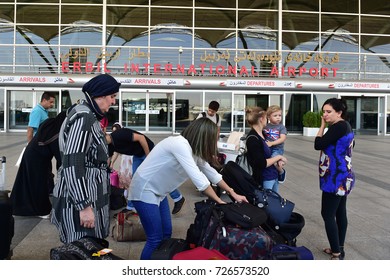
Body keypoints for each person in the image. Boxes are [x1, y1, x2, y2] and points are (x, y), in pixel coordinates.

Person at [128, 118, 248, 259]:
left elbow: (211, 173)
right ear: (204, 136)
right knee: (154, 238)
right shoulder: (179, 144)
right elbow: (200, 180)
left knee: (166, 233)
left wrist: (233, 193)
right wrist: (219, 201)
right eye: (213, 139)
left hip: (159, 191)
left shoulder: (193, 150)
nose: (213, 144)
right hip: (144, 189)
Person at [51, 74, 120, 244]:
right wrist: (83, 206)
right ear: (100, 95)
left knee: (87, 250)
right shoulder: (84, 117)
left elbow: (88, 157)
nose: (113, 102)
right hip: (80, 202)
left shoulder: (87, 115)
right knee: (81, 251)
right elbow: (73, 164)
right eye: (112, 97)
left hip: (86, 196)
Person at [107, 123, 186, 216]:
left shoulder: (120, 134)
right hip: (137, 155)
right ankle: (130, 207)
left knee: (159, 178)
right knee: (135, 180)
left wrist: (149, 157)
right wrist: (107, 167)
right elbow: (109, 157)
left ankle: (178, 198)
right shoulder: (109, 145)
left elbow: (141, 138)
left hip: (148, 151)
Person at [314, 98, 355, 260]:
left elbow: (318, 144)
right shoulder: (346, 126)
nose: (324, 115)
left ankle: (336, 253)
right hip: (343, 176)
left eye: (328, 112)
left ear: (339, 113)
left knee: (328, 214)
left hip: (335, 178)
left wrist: (322, 127)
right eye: (324, 111)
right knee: (340, 212)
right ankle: (339, 248)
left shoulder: (338, 127)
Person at [10, 111, 67, 218]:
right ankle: (41, 210)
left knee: (29, 182)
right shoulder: (57, 133)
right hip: (36, 159)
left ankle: (21, 207)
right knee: (37, 184)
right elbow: (59, 157)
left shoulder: (52, 125)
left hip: (33, 155)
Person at [245, 107, 287, 193]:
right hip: (265, 178)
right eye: (266, 117)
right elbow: (261, 163)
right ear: (261, 119)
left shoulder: (264, 133)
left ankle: (281, 173)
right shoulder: (253, 138)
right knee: (269, 203)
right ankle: (281, 173)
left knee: (275, 202)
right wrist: (279, 157)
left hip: (273, 175)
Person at [263, 105, 287, 183]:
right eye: (275, 115)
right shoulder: (266, 126)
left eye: (279, 115)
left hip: (277, 148)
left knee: (274, 161)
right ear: (269, 117)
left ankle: (281, 172)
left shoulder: (281, 127)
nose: (278, 117)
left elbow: (282, 138)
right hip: (268, 147)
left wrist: (272, 143)